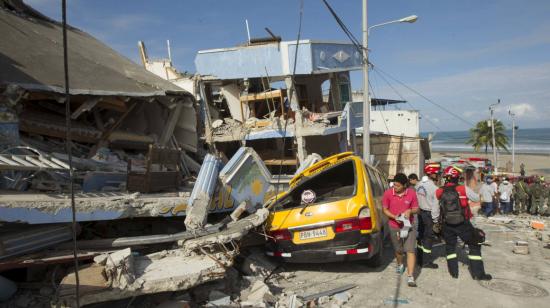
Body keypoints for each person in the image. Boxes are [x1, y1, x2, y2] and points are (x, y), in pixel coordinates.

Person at [436, 166, 492, 281]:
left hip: (447, 224)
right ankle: (478, 274)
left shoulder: (439, 191)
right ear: (457, 178)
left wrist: (437, 222)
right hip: (463, 223)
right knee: (474, 245)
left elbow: (435, 210)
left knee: (450, 247)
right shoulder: (463, 189)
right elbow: (476, 199)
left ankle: (453, 273)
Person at [382, 173, 419, 287]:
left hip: (409, 225)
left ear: (404, 185)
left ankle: (410, 276)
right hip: (394, 225)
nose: (395, 187)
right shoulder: (388, 193)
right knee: (399, 250)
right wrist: (395, 217)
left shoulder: (411, 193)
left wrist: (410, 211)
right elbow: (385, 209)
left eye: (398, 186)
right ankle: (399, 263)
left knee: (410, 250)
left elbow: (416, 209)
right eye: (394, 185)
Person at [416, 164, 440, 269]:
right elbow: (435, 206)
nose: (437, 175)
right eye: (436, 173)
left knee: (421, 236)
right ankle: (426, 262)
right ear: (432, 174)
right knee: (429, 237)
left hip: (420, 212)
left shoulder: (419, 184)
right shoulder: (434, 188)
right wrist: (436, 220)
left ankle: (419, 259)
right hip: (429, 214)